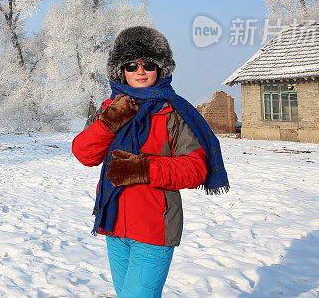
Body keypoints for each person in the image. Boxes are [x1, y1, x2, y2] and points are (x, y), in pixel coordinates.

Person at [72, 26, 229, 298]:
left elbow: (196, 169)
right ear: (121, 70)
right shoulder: (111, 107)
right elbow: (84, 154)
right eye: (132, 65)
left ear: (162, 68)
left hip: (154, 227)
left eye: (149, 64)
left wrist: (143, 169)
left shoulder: (174, 111)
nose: (140, 71)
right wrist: (109, 123)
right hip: (114, 224)